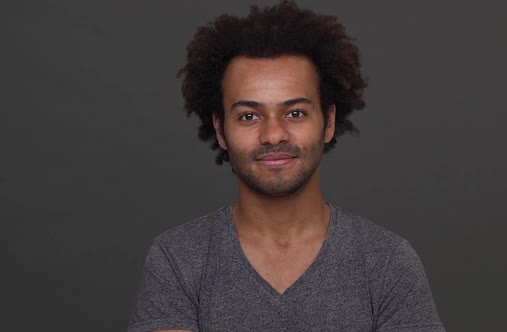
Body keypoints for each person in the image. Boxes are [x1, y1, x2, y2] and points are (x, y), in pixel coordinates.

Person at [128, 1, 445, 331]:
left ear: (329, 121)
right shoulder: (177, 259)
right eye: (249, 116)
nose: (274, 134)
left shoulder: (387, 261)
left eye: (295, 113)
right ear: (221, 130)